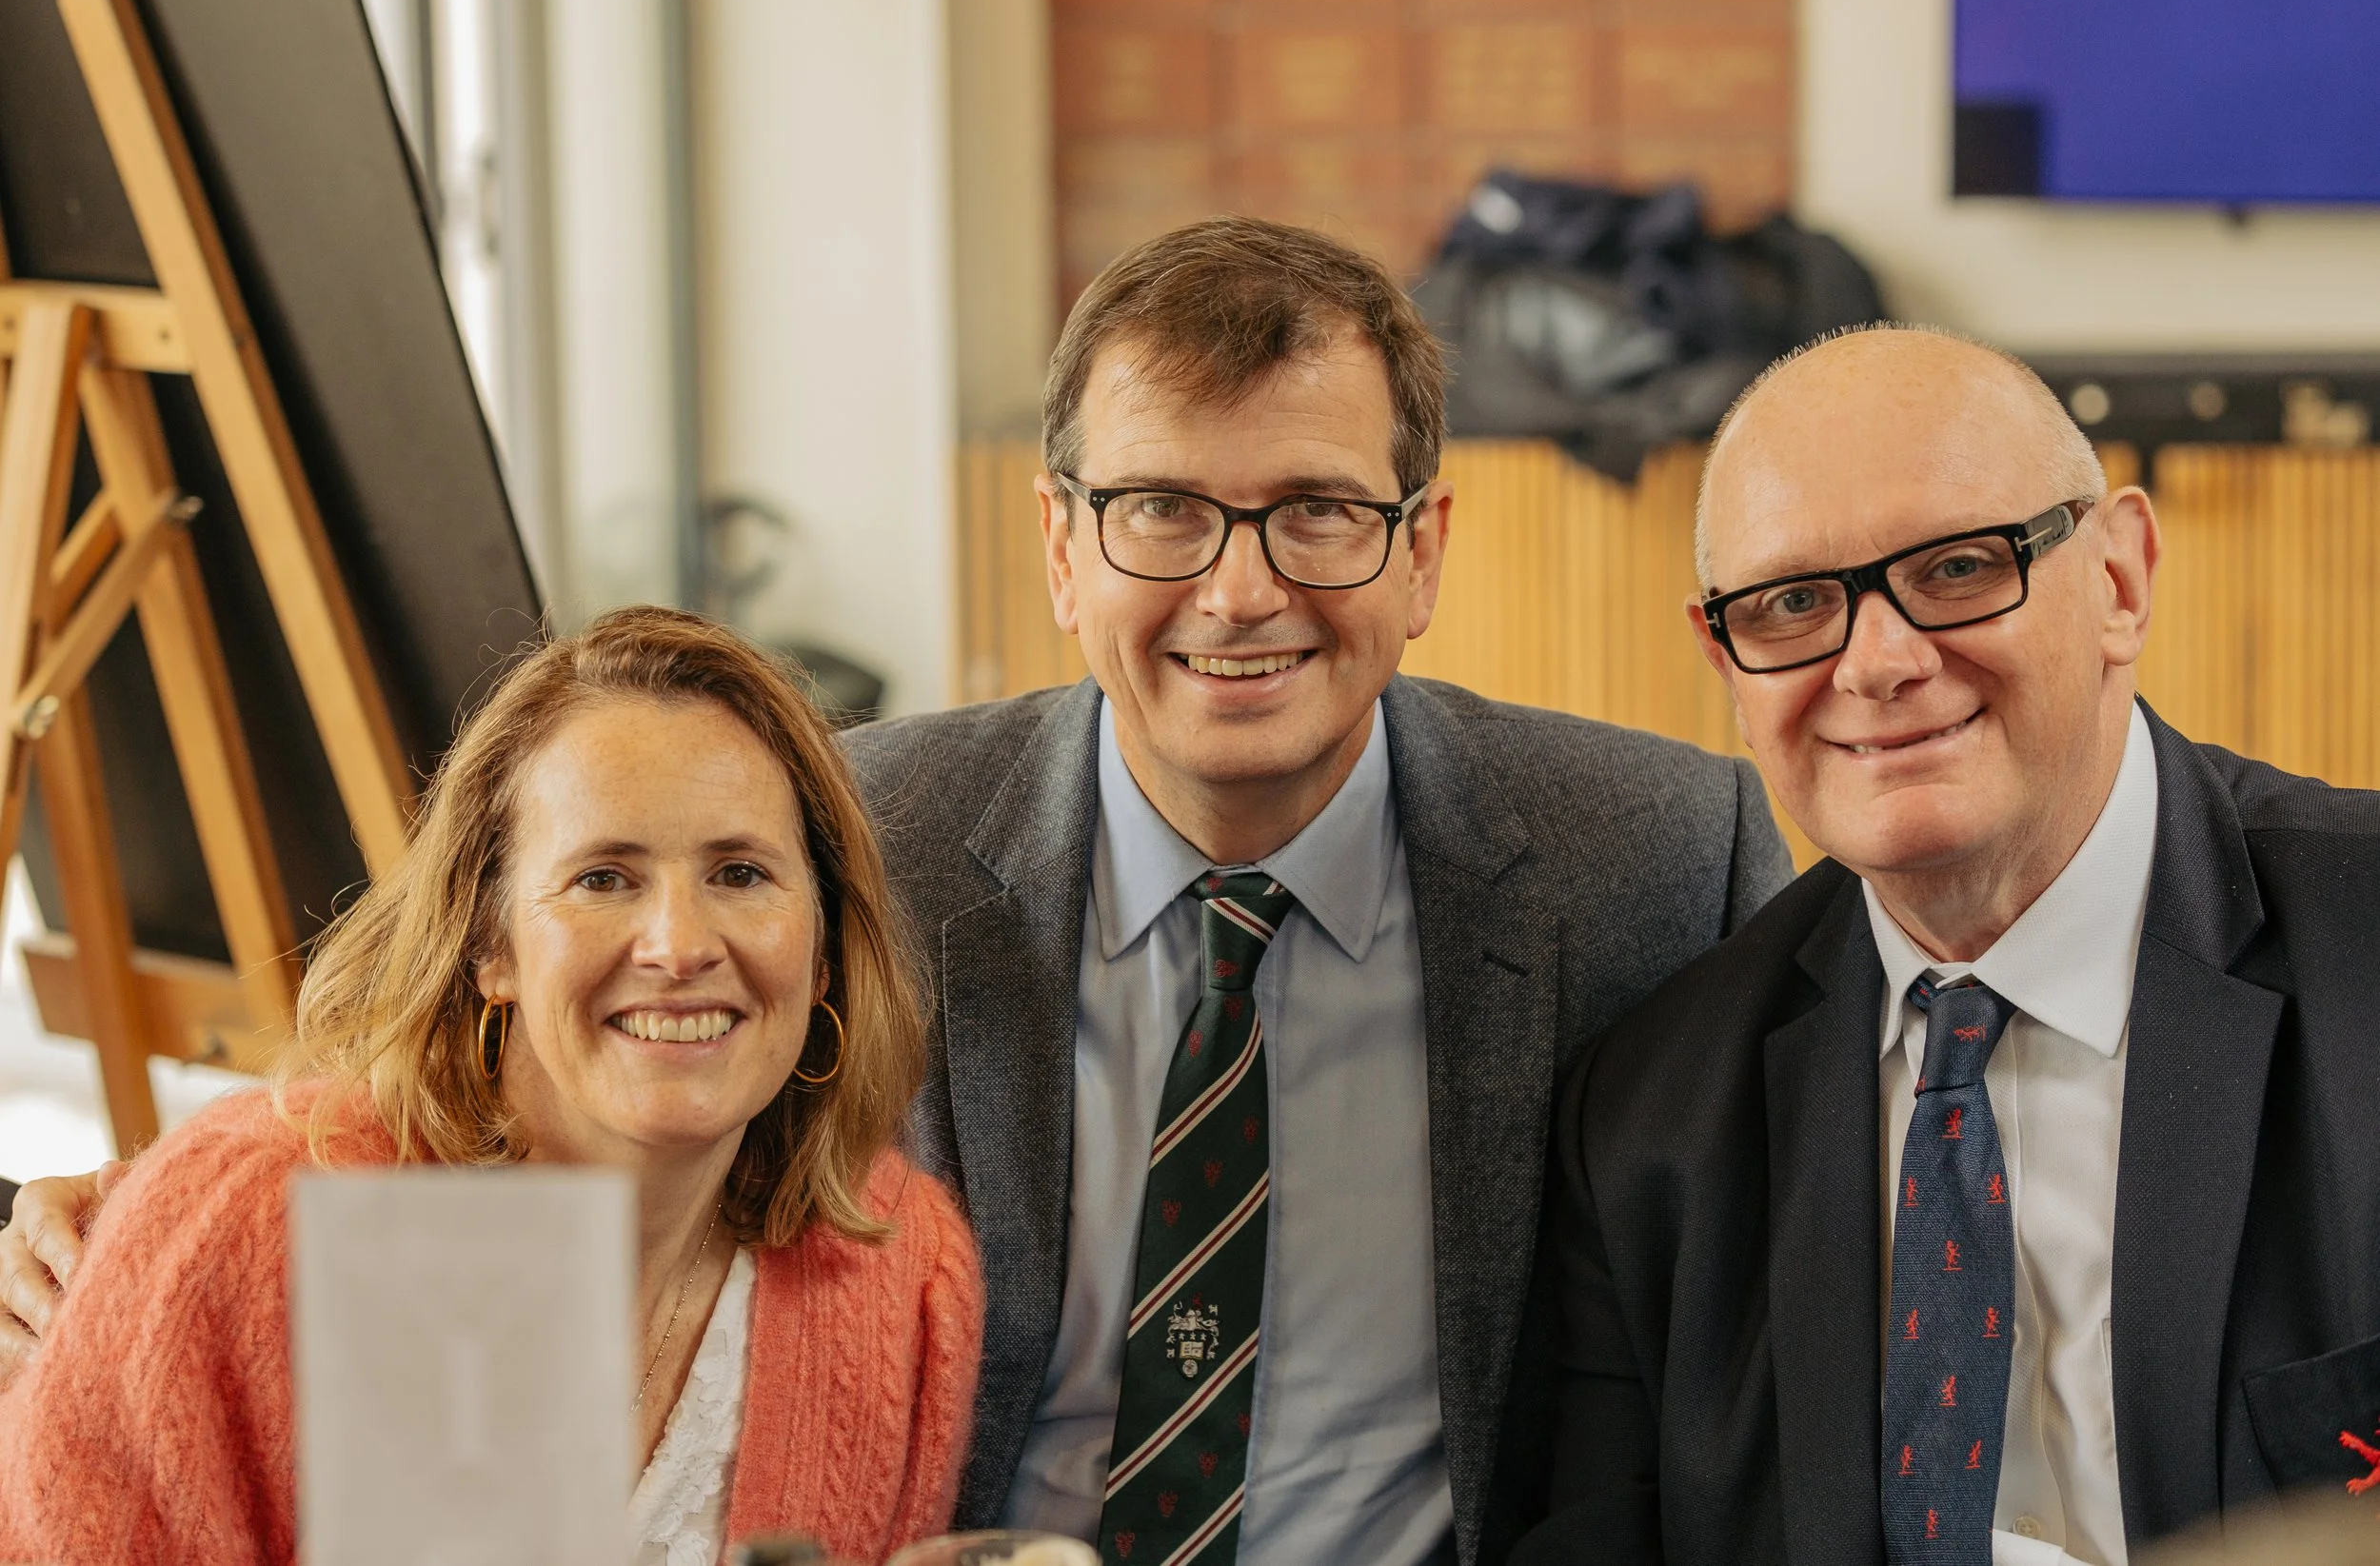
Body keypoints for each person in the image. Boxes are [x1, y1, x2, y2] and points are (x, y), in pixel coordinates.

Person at [2, 218, 1795, 1565]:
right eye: (1162, 511)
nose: (1240, 590)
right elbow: (511, 1084)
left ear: (1423, 551)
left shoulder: (1654, 856)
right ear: (1061, 547)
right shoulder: (849, 835)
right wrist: (143, 1216)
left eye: (1317, 511)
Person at [1513, 327, 2380, 1566]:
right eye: (1793, 602)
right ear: (1725, 659)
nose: (1877, 663)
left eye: (1959, 566)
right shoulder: (1649, 1120)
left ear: (2119, 579)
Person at [0, 608, 982, 1566]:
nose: (680, 945)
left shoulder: (903, 1274)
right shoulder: (248, 1227)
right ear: (490, 946)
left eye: (740, 872)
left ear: (822, 951)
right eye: (604, 877)